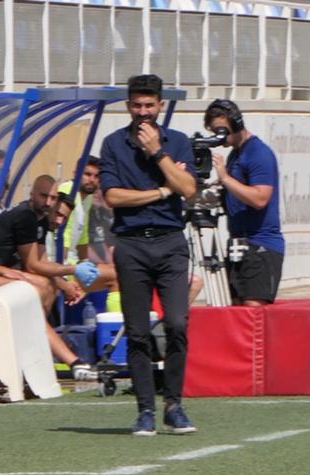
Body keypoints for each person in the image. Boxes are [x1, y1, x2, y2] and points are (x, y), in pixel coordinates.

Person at [98, 73, 198, 435]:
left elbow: (188, 189)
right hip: (131, 244)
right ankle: (144, 410)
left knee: (177, 323)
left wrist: (158, 153)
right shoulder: (112, 144)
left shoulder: (178, 142)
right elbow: (112, 197)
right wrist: (160, 191)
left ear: (160, 106)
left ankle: (173, 404)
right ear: (128, 106)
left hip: (170, 242)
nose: (143, 112)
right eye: (137, 106)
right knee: (137, 331)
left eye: (149, 106)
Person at [0, 175, 92, 373]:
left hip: (5, 274)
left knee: (49, 285)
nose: (48, 202)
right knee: (40, 287)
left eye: (52, 198)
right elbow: (33, 266)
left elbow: (40, 263)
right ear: (32, 193)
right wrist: (73, 270)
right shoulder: (25, 215)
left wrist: (65, 284)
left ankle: (37, 348)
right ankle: (60, 357)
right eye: (44, 196)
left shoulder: (40, 219)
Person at [206, 99, 283, 307]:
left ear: (237, 123)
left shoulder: (259, 153)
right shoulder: (235, 155)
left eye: (221, 131)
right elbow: (237, 192)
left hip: (260, 245)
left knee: (253, 314)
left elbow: (260, 198)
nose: (219, 137)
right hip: (238, 244)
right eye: (214, 131)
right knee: (237, 312)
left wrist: (226, 178)